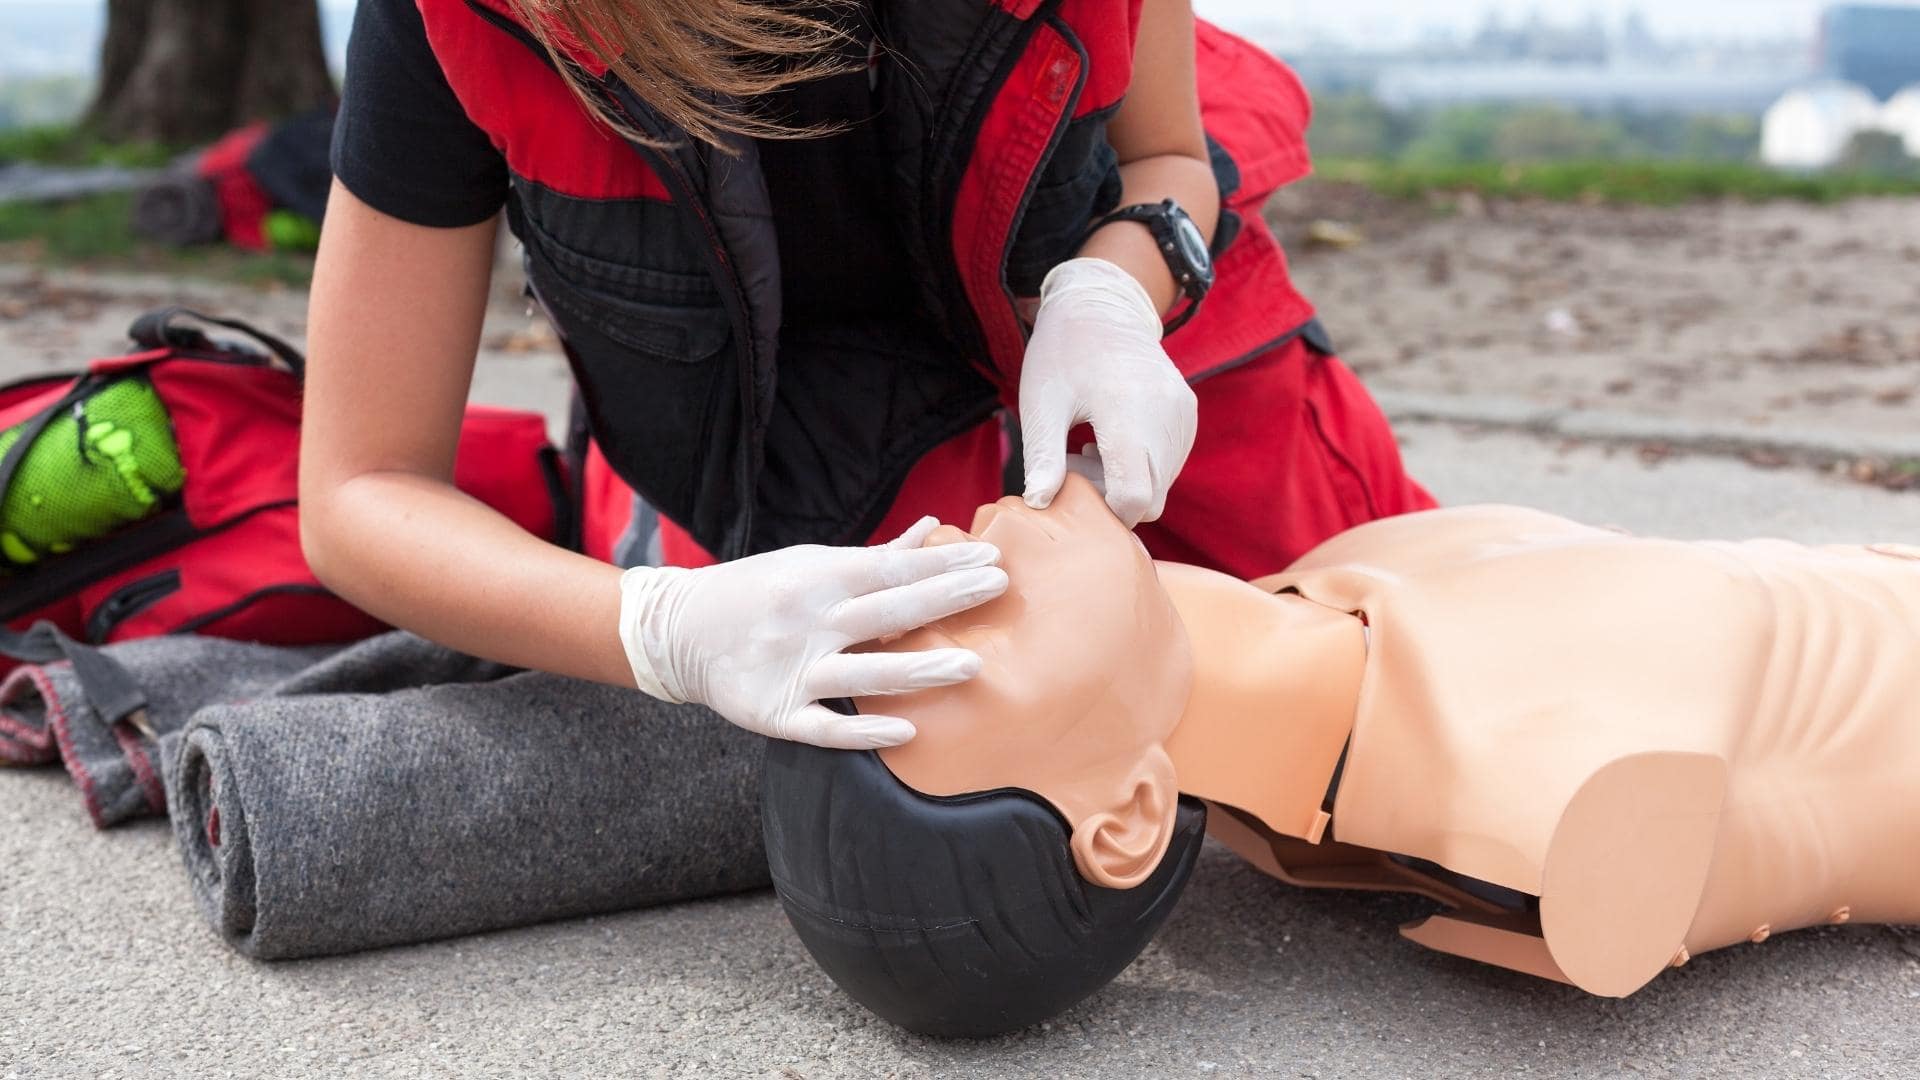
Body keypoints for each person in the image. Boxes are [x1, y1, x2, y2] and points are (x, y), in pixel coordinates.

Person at [298, 0, 1432, 749]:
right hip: (780, 430)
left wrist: (1120, 290)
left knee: (1409, 657)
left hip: (1118, 313)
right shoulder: (461, 21)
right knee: (934, 713)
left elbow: (1168, 155)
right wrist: (656, 626)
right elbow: (359, 492)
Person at [762, 474, 1920, 1035]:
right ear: (1123, 820)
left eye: (893, 610)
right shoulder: (1553, 799)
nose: (940, 563)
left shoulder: (1322, 599)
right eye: (955, 641)